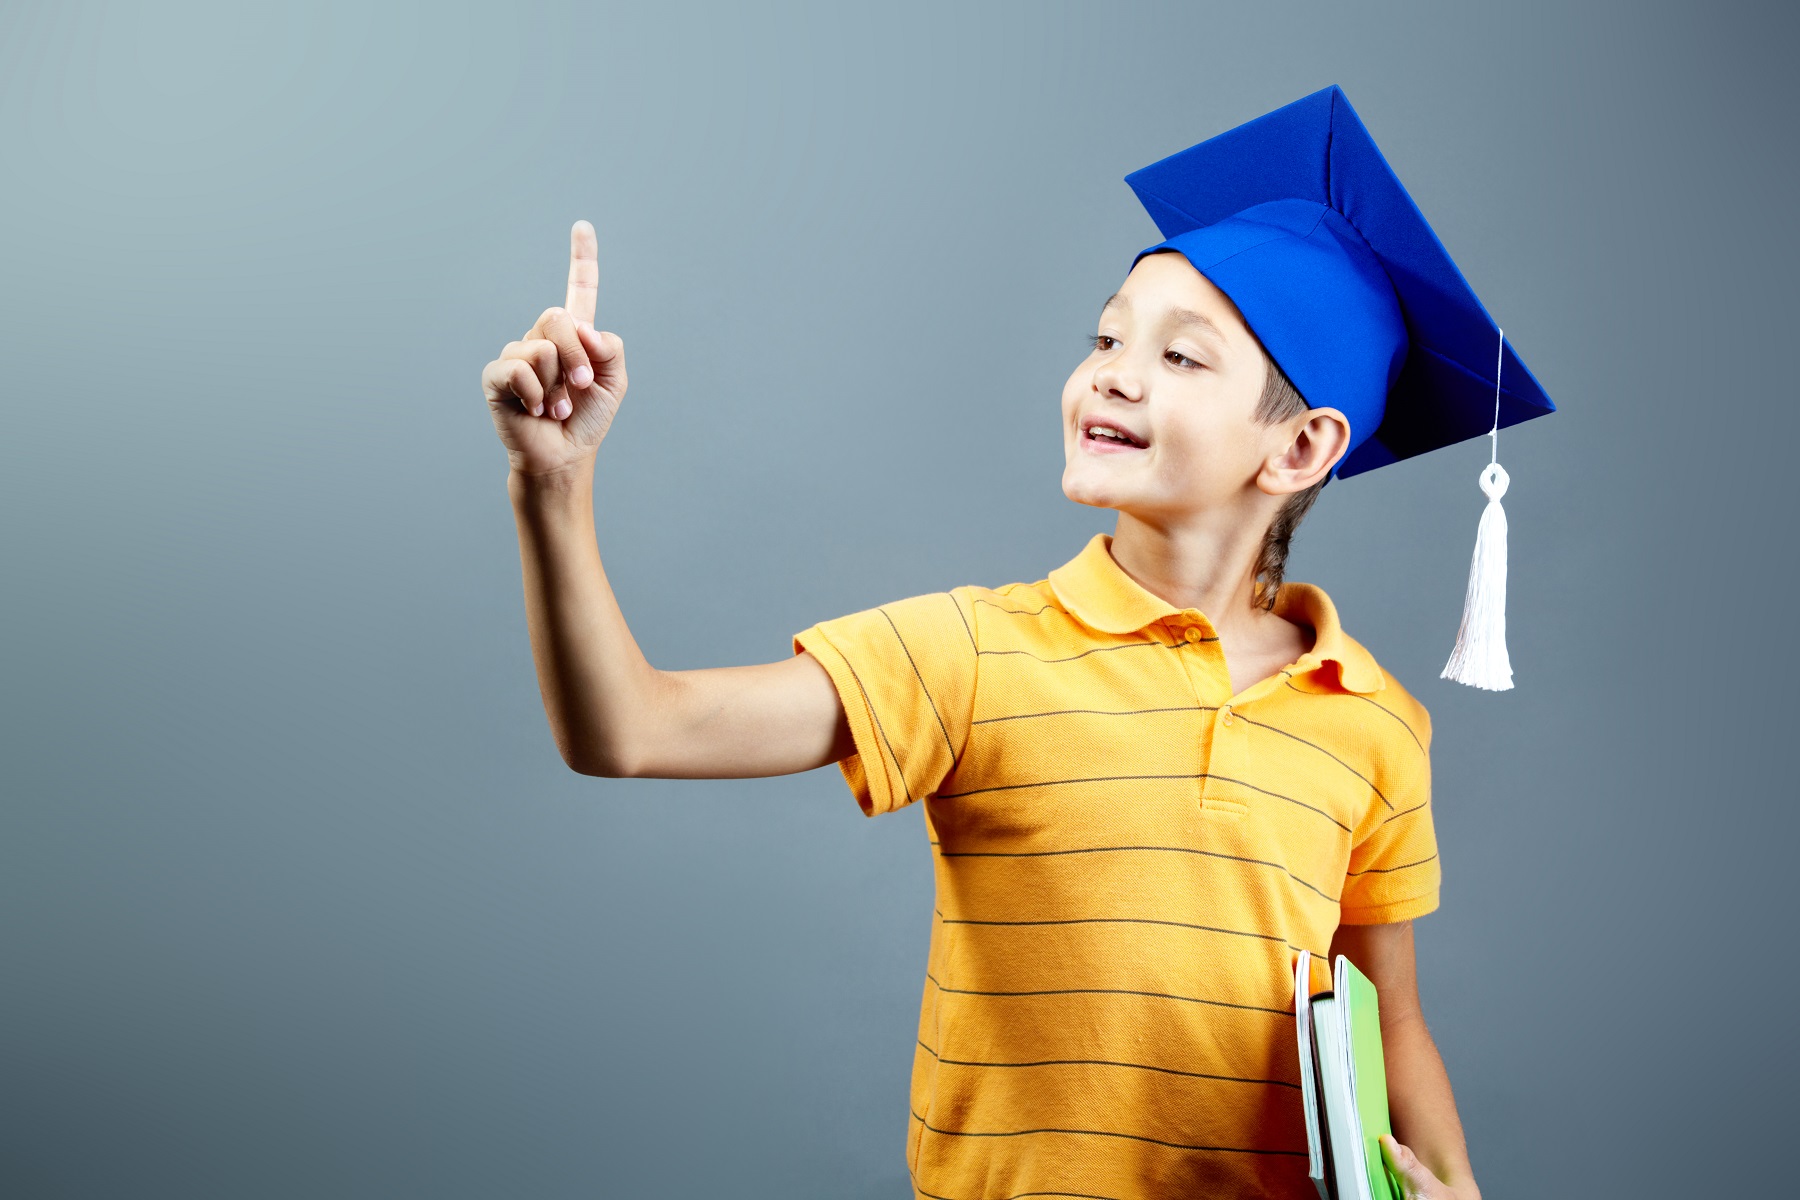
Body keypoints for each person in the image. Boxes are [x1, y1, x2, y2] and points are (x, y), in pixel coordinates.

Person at [480, 86, 1554, 1199]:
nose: (1112, 372)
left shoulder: (1372, 723)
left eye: (1182, 358)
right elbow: (632, 728)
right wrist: (552, 484)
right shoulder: (974, 654)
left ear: (1299, 449)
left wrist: (1457, 1185)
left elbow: (1393, 1018)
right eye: (1105, 336)